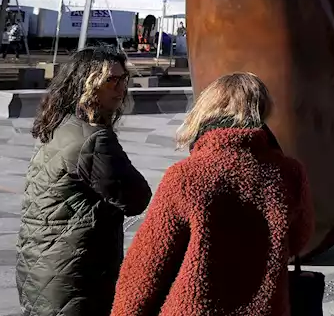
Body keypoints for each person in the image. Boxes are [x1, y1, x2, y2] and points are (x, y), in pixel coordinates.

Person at [111, 72, 314, 316]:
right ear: (261, 111)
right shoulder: (289, 173)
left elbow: (147, 265)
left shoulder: (185, 176)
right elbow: (300, 239)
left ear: (206, 111)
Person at [16, 46, 152, 316]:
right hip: (74, 273)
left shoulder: (57, 125)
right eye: (110, 80)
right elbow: (137, 198)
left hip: (40, 264)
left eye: (123, 79)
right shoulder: (92, 138)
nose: (120, 88)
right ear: (86, 84)